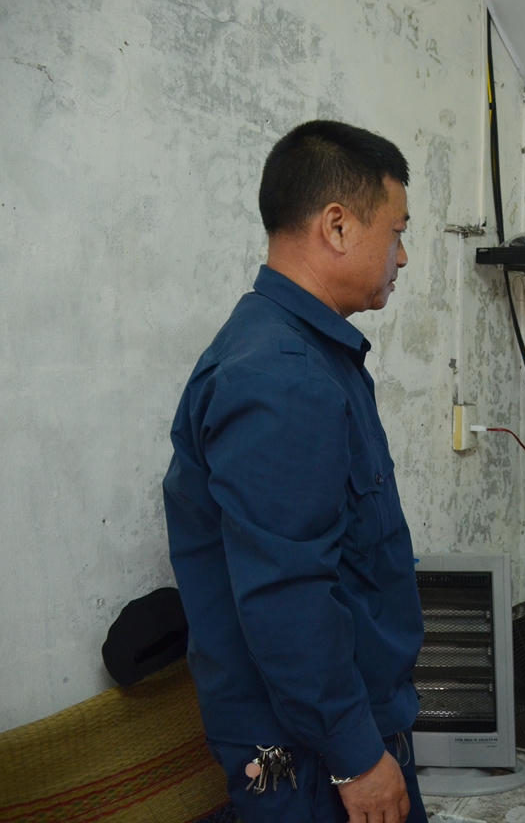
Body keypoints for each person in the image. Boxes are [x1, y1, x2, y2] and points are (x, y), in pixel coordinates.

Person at [163, 121, 427, 823]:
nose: (402, 256)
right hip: (316, 764)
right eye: (396, 232)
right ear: (337, 226)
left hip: (342, 737)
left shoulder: (301, 355)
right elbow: (288, 595)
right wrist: (356, 756)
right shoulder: (281, 378)